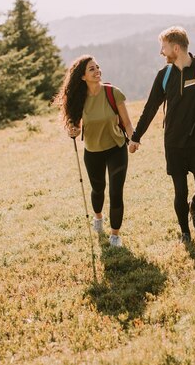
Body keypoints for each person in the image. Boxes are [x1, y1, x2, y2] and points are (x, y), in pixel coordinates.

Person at [129, 26, 195, 243]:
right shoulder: (164, 76)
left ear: (176, 48)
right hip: (174, 144)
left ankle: (194, 207)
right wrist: (136, 136)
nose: (161, 53)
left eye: (163, 47)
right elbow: (150, 108)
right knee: (179, 192)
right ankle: (185, 233)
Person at [55, 55, 133, 247]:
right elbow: (75, 127)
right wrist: (72, 131)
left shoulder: (113, 93)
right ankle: (98, 217)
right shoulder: (79, 100)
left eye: (97, 67)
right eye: (91, 69)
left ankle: (115, 235)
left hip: (117, 148)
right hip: (93, 151)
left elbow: (128, 123)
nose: (97, 70)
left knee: (116, 192)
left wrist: (133, 139)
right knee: (98, 190)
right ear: (82, 76)